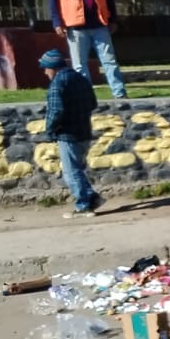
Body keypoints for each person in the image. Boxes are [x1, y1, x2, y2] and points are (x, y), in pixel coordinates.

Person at [48, 0, 128, 98]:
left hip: (99, 24)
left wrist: (113, 19)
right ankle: (84, 96)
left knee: (109, 61)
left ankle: (119, 93)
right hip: (75, 27)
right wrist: (57, 22)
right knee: (79, 65)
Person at [41, 48, 102, 217]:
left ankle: (84, 205)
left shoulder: (57, 83)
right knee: (77, 170)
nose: (45, 72)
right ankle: (93, 198)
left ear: (52, 67)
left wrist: (50, 129)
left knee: (71, 172)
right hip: (84, 130)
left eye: (46, 68)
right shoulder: (80, 78)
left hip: (67, 134)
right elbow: (92, 103)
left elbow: (56, 110)